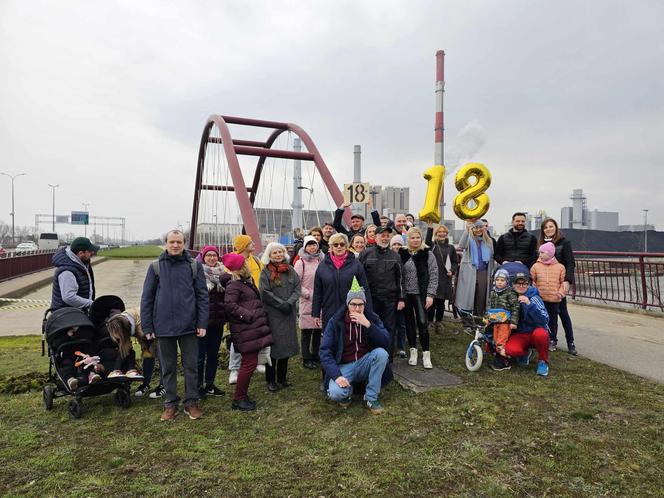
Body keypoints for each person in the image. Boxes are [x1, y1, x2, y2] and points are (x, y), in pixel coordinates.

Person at [140, 229, 209, 421]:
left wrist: (202, 322)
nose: (176, 245)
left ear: (184, 243)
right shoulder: (155, 268)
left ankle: (191, 403)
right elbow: (147, 299)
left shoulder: (194, 266)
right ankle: (170, 404)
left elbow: (202, 296)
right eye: (172, 242)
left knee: (191, 366)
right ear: (166, 243)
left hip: (189, 326)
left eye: (179, 242)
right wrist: (147, 327)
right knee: (167, 367)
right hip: (163, 327)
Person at [319, 277, 392, 413]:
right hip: (343, 366)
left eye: (360, 304)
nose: (357, 308)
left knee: (382, 354)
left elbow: (386, 342)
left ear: (365, 304)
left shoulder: (371, 318)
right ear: (347, 304)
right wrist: (337, 376)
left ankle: (371, 398)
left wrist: (369, 325)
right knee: (336, 393)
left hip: (365, 361)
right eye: (353, 304)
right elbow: (325, 351)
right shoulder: (336, 322)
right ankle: (347, 392)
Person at [223, 253, 272, 411]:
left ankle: (241, 395)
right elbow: (230, 305)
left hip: (250, 329)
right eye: (244, 263)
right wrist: (248, 315)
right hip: (246, 329)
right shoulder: (234, 285)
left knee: (249, 363)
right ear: (240, 267)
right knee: (248, 364)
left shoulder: (244, 282)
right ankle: (239, 399)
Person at [259, 242, 301, 392]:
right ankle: (270, 380)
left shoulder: (290, 270)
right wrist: (280, 304)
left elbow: (297, 287)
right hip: (273, 315)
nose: (278, 255)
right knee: (273, 348)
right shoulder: (265, 272)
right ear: (269, 255)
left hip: (288, 314)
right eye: (274, 253)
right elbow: (264, 292)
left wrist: (288, 303)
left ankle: (282, 378)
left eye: (280, 252)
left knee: (286, 346)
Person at [359, 225, 404, 360]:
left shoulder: (395, 256)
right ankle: (369, 355)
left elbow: (401, 279)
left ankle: (387, 357)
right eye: (382, 235)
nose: (385, 238)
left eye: (387, 236)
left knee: (389, 327)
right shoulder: (366, 254)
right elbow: (358, 276)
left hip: (390, 298)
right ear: (375, 237)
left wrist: (401, 299)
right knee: (370, 326)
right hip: (370, 298)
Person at [312, 233, 372, 330]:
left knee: (348, 341)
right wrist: (315, 314)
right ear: (331, 247)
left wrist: (368, 312)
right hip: (329, 310)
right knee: (331, 340)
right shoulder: (322, 266)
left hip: (350, 311)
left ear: (347, 246)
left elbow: (365, 289)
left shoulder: (356, 264)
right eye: (335, 245)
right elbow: (318, 292)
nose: (339, 247)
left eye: (342, 244)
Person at [495, 272, 550, 376]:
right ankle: (525, 352)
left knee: (541, 334)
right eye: (518, 284)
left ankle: (543, 361)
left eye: (524, 283)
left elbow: (545, 320)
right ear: (513, 285)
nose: (521, 286)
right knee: (511, 350)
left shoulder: (534, 298)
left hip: (535, 331)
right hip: (520, 334)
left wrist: (530, 305)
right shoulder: (510, 297)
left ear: (528, 284)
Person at [228, 234, 265, 385]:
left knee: (259, 333)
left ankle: (259, 362)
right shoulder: (232, 260)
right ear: (243, 245)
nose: (254, 244)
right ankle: (234, 369)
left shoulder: (255, 260)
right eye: (250, 242)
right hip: (241, 304)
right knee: (238, 337)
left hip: (257, 301)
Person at [399, 227, 438, 369]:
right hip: (407, 294)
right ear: (408, 239)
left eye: (417, 237)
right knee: (409, 323)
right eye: (412, 237)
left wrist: (430, 295)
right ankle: (413, 352)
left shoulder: (427, 253)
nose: (415, 240)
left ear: (421, 238)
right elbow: (398, 275)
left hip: (421, 294)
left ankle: (426, 354)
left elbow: (434, 275)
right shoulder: (402, 253)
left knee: (422, 322)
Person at [539, 218, 577, 355]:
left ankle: (570, 342)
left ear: (556, 227)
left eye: (551, 226)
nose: (548, 229)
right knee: (548, 315)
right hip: (544, 285)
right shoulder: (541, 244)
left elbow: (570, 263)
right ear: (543, 230)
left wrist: (567, 281)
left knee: (563, 313)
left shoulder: (564, 243)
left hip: (558, 284)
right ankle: (551, 340)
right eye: (545, 227)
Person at [196, 245, 229, 397]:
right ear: (203, 257)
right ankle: (197, 387)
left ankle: (209, 384)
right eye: (208, 255)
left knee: (213, 355)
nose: (212, 258)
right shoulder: (197, 273)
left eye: (214, 255)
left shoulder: (224, 274)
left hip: (217, 321)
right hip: (201, 323)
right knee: (199, 356)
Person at [455, 220, 496, 332]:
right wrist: (467, 229)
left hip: (483, 273)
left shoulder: (489, 241)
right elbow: (461, 245)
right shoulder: (469, 239)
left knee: (481, 299)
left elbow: (492, 259)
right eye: (475, 228)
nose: (478, 230)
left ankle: (479, 323)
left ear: (484, 228)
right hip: (469, 272)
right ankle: (467, 324)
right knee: (467, 299)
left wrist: (492, 273)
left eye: (480, 227)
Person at [293, 235, 325, 370]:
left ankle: (315, 354)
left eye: (314, 244)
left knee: (318, 329)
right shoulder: (301, 263)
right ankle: (306, 357)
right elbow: (295, 282)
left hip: (321, 300)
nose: (312, 247)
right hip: (307, 300)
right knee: (307, 331)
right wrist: (307, 294)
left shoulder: (321, 260)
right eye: (309, 245)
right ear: (305, 247)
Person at [530, 242, 566, 353]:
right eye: (539, 252)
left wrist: (560, 293)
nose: (540, 254)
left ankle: (552, 340)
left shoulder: (560, 267)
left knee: (552, 321)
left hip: (554, 300)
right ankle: (539, 340)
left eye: (542, 252)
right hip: (540, 299)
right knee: (539, 320)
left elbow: (563, 283)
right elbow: (532, 280)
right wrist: (534, 292)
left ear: (550, 253)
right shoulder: (536, 266)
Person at [425, 223, 459, 333]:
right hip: (432, 277)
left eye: (444, 232)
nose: (442, 233)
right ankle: (429, 321)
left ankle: (438, 322)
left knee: (440, 302)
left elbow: (455, 262)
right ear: (436, 234)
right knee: (431, 301)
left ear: (446, 234)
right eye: (439, 232)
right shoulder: (432, 245)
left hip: (445, 278)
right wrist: (429, 229)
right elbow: (426, 243)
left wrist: (452, 271)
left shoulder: (451, 247)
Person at [51, 237, 99, 311]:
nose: (92, 253)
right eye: (89, 251)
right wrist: (91, 304)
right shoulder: (67, 271)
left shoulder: (81, 263)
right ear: (81, 253)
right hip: (67, 317)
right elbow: (69, 297)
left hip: (76, 313)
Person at [487, 269, 520, 357]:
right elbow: (490, 306)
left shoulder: (510, 292)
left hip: (505, 322)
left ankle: (505, 358)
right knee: (495, 339)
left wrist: (513, 322)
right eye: (497, 280)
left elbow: (515, 307)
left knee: (501, 342)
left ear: (507, 281)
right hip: (495, 320)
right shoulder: (493, 292)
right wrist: (487, 318)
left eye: (502, 280)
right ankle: (500, 354)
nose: (499, 282)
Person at [391, 234, 408, 358]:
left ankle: (401, 346)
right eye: (394, 244)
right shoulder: (389, 257)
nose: (397, 246)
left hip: (402, 294)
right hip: (390, 294)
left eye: (399, 244)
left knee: (401, 323)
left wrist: (402, 297)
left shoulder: (406, 258)